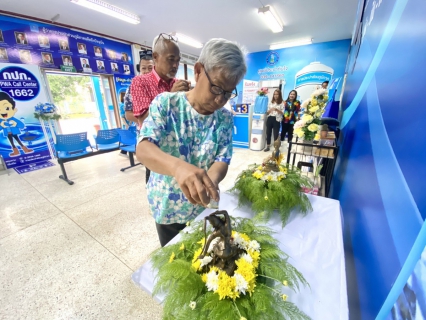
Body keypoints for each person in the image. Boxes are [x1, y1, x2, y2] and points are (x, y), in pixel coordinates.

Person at [136, 38, 246, 247]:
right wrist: (177, 167)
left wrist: (211, 181)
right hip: (168, 206)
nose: (221, 100)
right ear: (198, 71)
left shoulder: (224, 118)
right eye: (217, 88)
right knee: (174, 260)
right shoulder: (166, 103)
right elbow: (143, 148)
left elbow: (222, 158)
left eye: (228, 93)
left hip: (202, 207)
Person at [130, 33, 190, 184]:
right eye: (171, 59)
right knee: (158, 196)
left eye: (177, 60)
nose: (175, 65)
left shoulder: (178, 84)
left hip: (180, 150)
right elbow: (143, 120)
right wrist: (169, 96)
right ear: (155, 57)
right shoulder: (140, 82)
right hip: (156, 151)